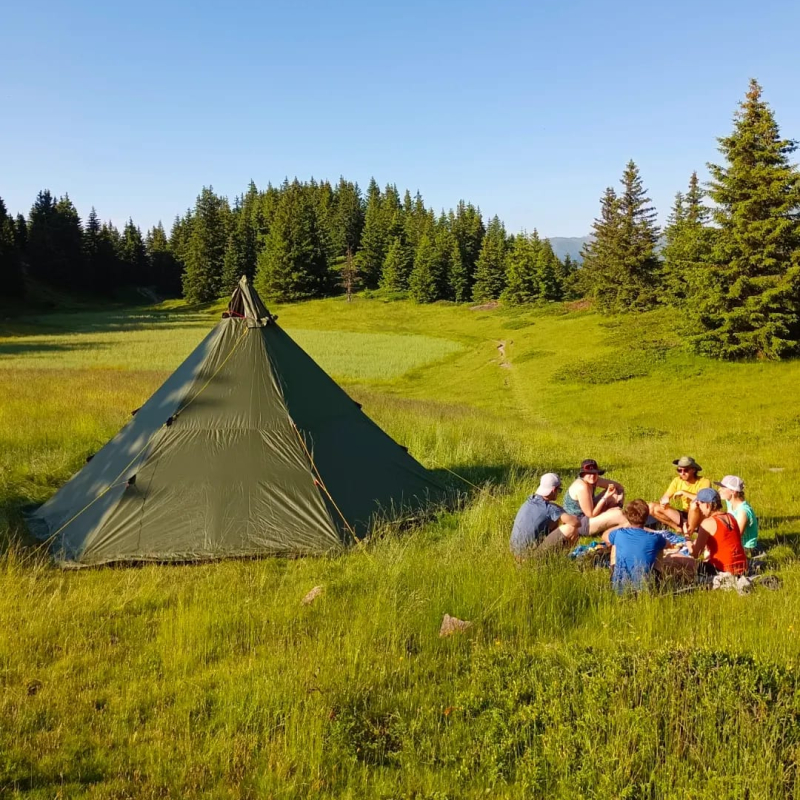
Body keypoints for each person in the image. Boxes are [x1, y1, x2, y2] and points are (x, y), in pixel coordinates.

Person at [602, 499, 669, 593]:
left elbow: (605, 536)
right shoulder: (655, 538)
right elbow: (667, 544)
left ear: (627, 517)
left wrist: (623, 525)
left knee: (615, 544)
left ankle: (614, 574)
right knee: (659, 548)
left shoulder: (619, 533)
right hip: (647, 589)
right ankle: (659, 580)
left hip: (619, 588)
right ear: (646, 518)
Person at [510, 473, 579, 559]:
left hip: (515, 554)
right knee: (571, 529)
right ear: (554, 490)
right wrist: (561, 509)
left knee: (554, 520)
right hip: (528, 558)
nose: (558, 493)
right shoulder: (550, 509)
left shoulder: (529, 501)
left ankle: (552, 557)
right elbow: (576, 522)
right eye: (559, 490)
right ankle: (561, 559)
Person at [686, 487, 748, 576]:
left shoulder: (707, 523)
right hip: (743, 567)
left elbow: (695, 554)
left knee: (684, 563)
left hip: (723, 569)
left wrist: (687, 536)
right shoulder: (731, 517)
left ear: (707, 505)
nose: (699, 508)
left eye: (699, 504)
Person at [563, 459, 627, 538]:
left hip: (587, 514)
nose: (592, 476)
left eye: (594, 473)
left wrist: (619, 503)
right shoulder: (582, 487)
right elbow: (591, 514)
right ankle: (614, 534)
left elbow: (618, 486)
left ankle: (612, 520)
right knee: (619, 514)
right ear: (583, 474)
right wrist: (605, 497)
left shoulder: (593, 480)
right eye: (589, 473)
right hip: (579, 523)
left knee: (614, 494)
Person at [649, 456, 711, 534]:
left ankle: (690, 532)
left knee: (694, 505)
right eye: (679, 470)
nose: (682, 473)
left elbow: (703, 499)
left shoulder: (704, 481)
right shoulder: (677, 480)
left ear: (694, 470)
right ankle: (678, 529)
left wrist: (683, 492)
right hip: (685, 514)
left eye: (686, 470)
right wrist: (664, 501)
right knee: (652, 507)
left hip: (700, 516)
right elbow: (665, 496)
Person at [714, 475, 759, 552]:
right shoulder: (730, 502)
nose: (719, 490)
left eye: (723, 488)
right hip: (733, 540)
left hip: (745, 546)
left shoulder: (743, 511)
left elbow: (736, 536)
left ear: (733, 491)